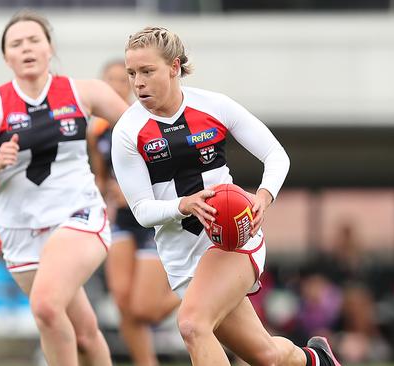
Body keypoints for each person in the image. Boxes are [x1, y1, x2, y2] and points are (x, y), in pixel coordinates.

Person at [111, 26, 341, 366]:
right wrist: (183, 205)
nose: (138, 82)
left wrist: (263, 197)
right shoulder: (128, 131)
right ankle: (316, 359)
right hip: (181, 260)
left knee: (192, 325)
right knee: (264, 355)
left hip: (231, 239)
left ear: (174, 68)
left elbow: (276, 156)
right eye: (132, 73)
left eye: (147, 71)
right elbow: (142, 210)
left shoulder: (213, 105)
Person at [0, 10, 127, 366]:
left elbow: (139, 132)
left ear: (50, 48)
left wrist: (127, 183)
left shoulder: (84, 92)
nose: (27, 48)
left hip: (77, 214)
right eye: (16, 44)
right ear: (7, 57)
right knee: (82, 332)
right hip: (21, 230)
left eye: (34, 40)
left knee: (46, 307)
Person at [87, 60, 180, 366]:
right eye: (108, 80)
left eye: (120, 79)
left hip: (153, 220)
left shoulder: (147, 124)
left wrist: (135, 197)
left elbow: (169, 174)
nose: (115, 86)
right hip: (122, 222)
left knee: (145, 308)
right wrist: (103, 199)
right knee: (123, 302)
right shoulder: (97, 133)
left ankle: (194, 289)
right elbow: (101, 179)